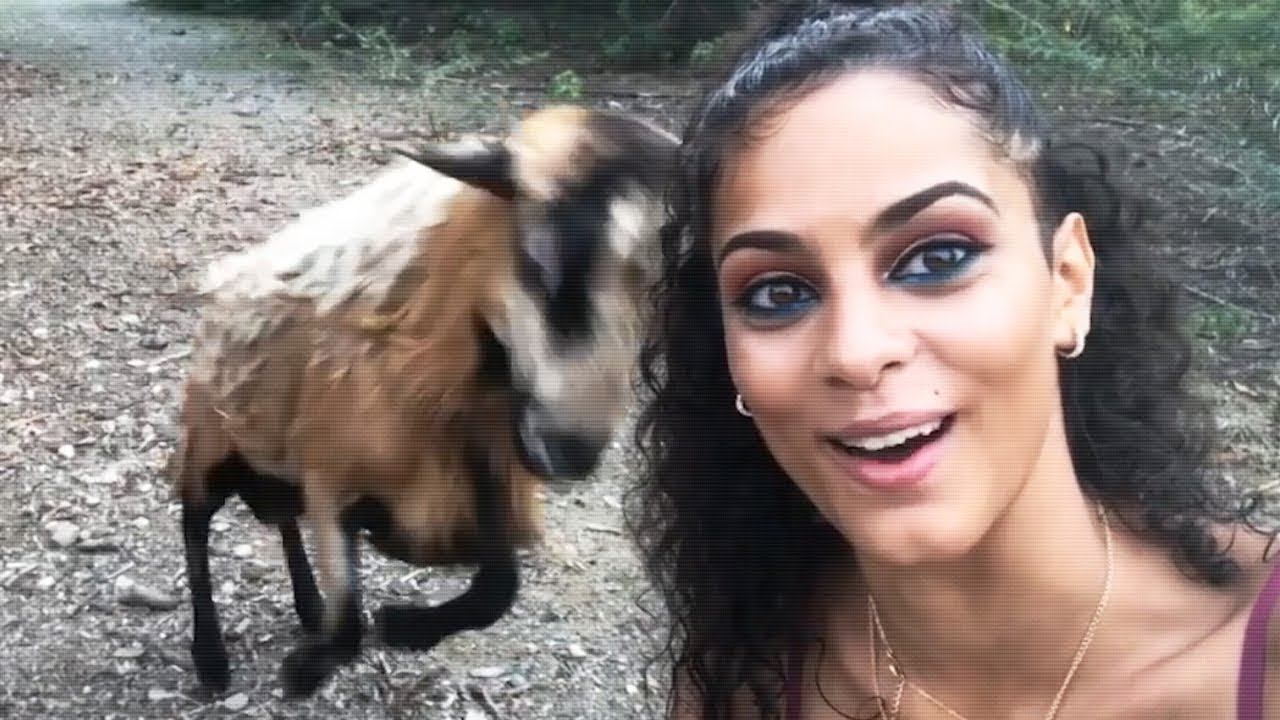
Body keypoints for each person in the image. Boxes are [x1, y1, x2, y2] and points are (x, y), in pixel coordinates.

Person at [626, 1, 1280, 718]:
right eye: (778, 294)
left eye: (938, 257)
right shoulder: (748, 679)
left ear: (1068, 282)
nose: (856, 352)